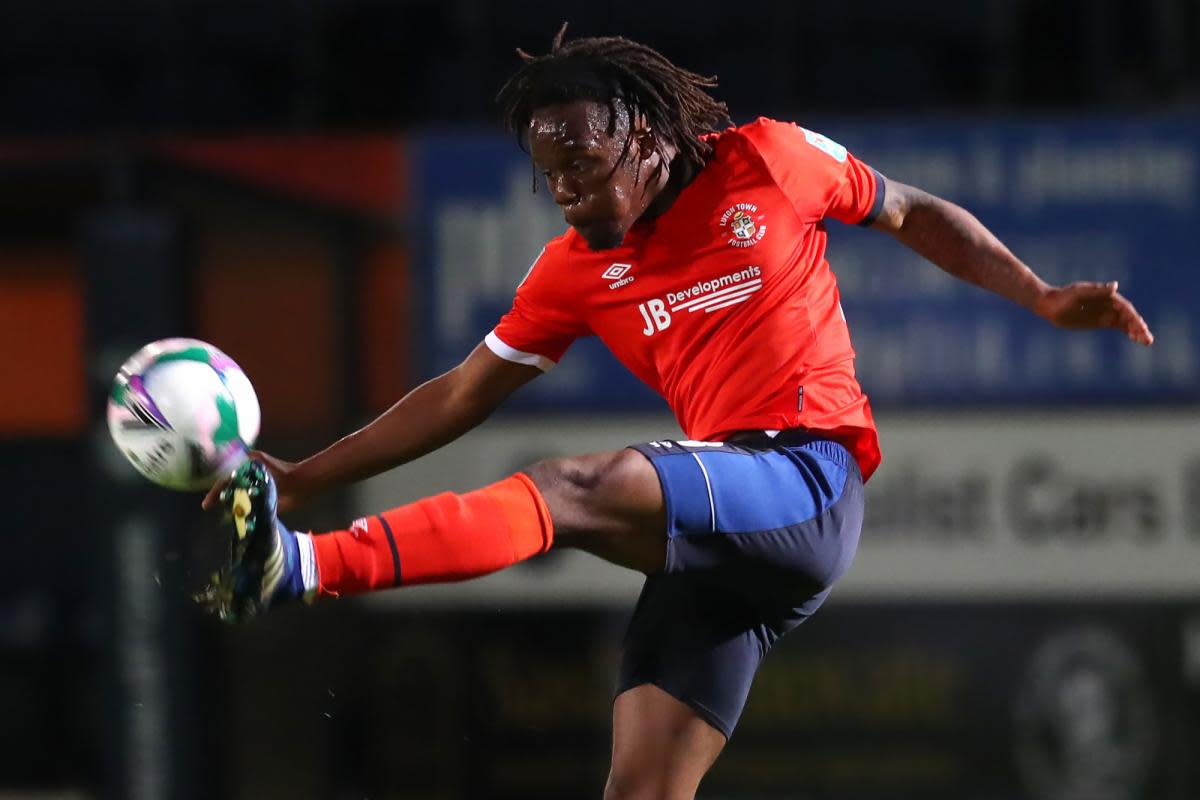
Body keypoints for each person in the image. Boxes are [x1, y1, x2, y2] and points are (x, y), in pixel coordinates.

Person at [200, 25, 1154, 800]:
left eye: (582, 155)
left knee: (571, 486)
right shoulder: (573, 272)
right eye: (549, 169)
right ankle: (305, 543)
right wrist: (302, 474)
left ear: (649, 135)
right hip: (726, 538)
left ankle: (308, 568)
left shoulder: (770, 164)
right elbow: (458, 394)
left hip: (804, 480)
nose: (565, 184)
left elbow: (907, 210)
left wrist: (1039, 297)